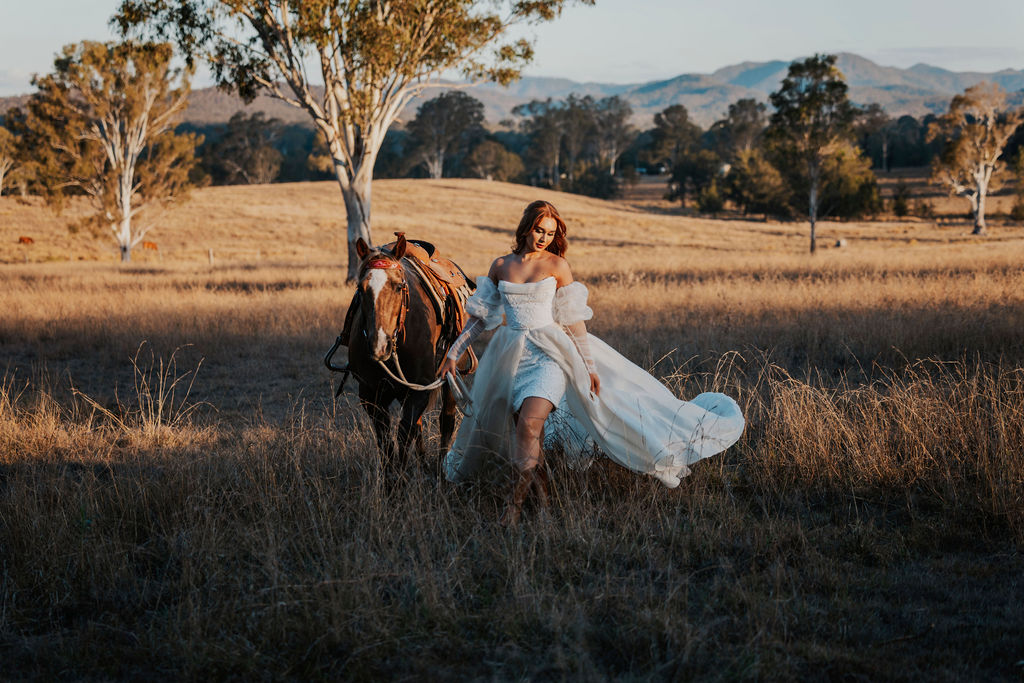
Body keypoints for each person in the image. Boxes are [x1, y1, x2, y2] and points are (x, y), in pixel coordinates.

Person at [437, 200, 744, 525]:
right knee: (527, 434)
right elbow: (480, 319)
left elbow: (573, 322)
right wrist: (453, 353)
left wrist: (590, 366)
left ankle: (511, 509)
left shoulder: (557, 265)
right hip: (510, 356)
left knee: (529, 424)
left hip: (550, 355)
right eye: (539, 229)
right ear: (527, 226)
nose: (543, 237)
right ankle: (542, 503)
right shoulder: (501, 265)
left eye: (550, 232)